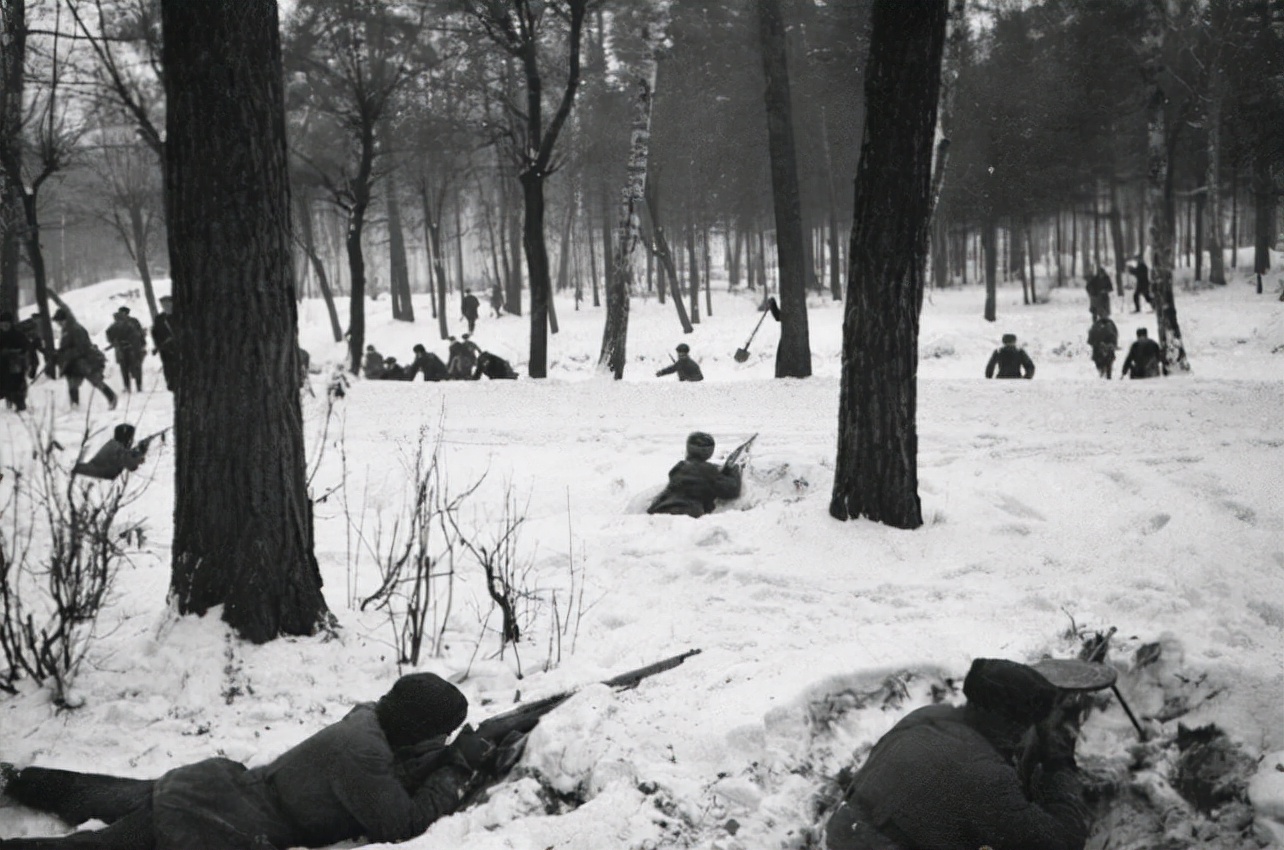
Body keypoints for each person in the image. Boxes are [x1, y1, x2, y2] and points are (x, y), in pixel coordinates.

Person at [0, 673, 493, 850]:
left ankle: (16, 780)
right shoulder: (361, 754)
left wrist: (437, 754)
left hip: (216, 788)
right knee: (98, 849)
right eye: (440, 734)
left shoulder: (370, 720)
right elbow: (400, 826)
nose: (442, 741)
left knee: (98, 792)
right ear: (414, 728)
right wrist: (455, 768)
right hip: (213, 819)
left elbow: (390, 770)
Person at [823, 658, 1090, 850]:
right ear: (1011, 725)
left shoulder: (925, 718)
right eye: (1025, 724)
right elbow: (1063, 841)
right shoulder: (986, 776)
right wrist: (1058, 763)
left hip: (843, 834)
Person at [647, 432, 742, 518]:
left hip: (660, 510)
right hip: (686, 513)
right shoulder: (708, 470)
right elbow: (732, 490)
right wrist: (734, 471)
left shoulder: (679, 468)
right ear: (709, 451)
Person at [53, 308, 117, 410]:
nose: (59, 324)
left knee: (96, 381)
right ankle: (75, 406)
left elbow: (82, 347)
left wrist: (68, 354)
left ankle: (112, 398)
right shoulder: (66, 330)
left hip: (85, 361)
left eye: (60, 321)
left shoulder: (76, 329)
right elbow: (66, 346)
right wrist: (59, 353)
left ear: (65, 319)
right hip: (73, 363)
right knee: (72, 384)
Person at [71, 423, 150, 480]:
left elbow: (125, 455)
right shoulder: (116, 449)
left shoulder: (114, 445)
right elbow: (132, 465)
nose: (131, 441)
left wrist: (136, 450)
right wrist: (141, 451)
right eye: (130, 438)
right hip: (95, 476)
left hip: (91, 472)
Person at [105, 307, 147, 393]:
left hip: (124, 349)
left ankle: (129, 387)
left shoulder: (116, 325)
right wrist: (142, 344)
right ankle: (136, 386)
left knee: (126, 368)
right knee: (133, 367)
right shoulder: (133, 322)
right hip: (132, 349)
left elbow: (109, 337)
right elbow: (139, 334)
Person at [0, 311, 35, 412]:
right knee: (4, 386)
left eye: (6, 324)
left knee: (17, 386)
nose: (4, 326)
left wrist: (14, 352)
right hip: (2, 367)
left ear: (10, 324)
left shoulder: (18, 335)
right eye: (1, 324)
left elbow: (26, 348)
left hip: (16, 366)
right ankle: (9, 402)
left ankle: (20, 406)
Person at [150, 295, 177, 392]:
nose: (166, 307)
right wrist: (158, 345)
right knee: (167, 367)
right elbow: (154, 333)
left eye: (168, 304)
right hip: (165, 348)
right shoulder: (159, 319)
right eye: (163, 305)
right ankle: (171, 384)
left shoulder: (178, 316)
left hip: (178, 348)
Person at [1087, 314, 1119, 379]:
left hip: (1098, 346)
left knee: (1101, 361)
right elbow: (1115, 335)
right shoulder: (1110, 324)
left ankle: (1103, 372)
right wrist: (1114, 344)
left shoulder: (1095, 325)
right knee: (1108, 360)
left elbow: (1090, 339)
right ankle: (1107, 375)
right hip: (1107, 346)